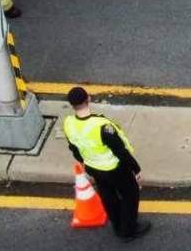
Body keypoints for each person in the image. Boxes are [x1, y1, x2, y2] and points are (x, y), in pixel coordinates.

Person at [63, 87, 149, 241]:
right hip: (115, 168)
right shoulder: (102, 126)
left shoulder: (69, 124)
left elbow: (74, 148)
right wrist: (136, 169)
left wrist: (85, 163)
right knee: (130, 195)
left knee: (108, 196)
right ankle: (128, 230)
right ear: (88, 99)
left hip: (93, 167)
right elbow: (120, 151)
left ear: (72, 104)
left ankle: (117, 225)